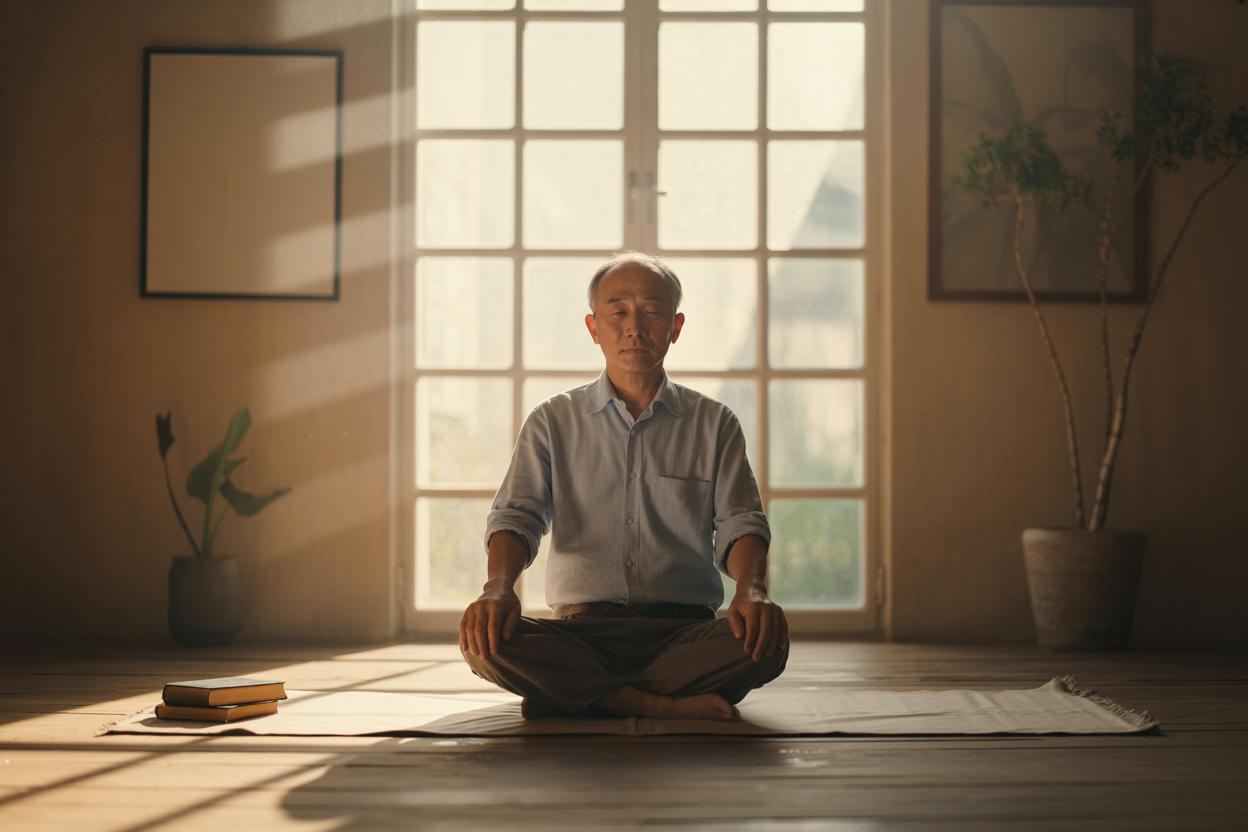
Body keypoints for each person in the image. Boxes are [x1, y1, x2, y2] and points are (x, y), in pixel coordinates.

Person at [460, 251, 788, 721]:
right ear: (594, 328)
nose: (634, 326)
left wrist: (751, 590)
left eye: (652, 311)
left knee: (767, 642)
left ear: (674, 328)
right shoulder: (552, 421)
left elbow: (740, 521)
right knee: (485, 641)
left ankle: (575, 692)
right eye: (618, 312)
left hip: (684, 637)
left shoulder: (715, 423)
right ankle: (652, 704)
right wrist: (498, 587)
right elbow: (518, 516)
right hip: (581, 633)